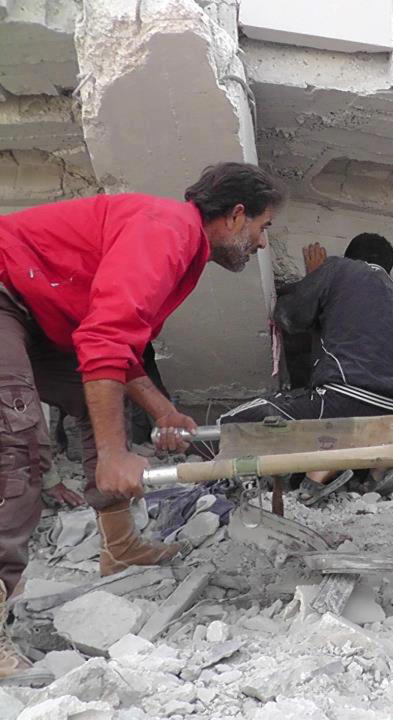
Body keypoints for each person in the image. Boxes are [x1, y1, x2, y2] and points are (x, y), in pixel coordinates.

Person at [0, 162, 284, 681]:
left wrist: (161, 410)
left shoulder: (186, 247)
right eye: (263, 228)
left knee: (99, 405)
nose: (263, 243)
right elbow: (104, 339)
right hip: (7, 293)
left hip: (40, 313)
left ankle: (120, 549)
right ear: (237, 215)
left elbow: (118, 347)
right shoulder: (168, 230)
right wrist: (112, 455)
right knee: (15, 448)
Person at [220, 234, 393, 496]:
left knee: (234, 421)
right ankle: (357, 472)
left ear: (351, 256)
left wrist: (315, 277)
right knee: (339, 425)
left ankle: (314, 469)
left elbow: (289, 317)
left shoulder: (339, 268)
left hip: (344, 399)